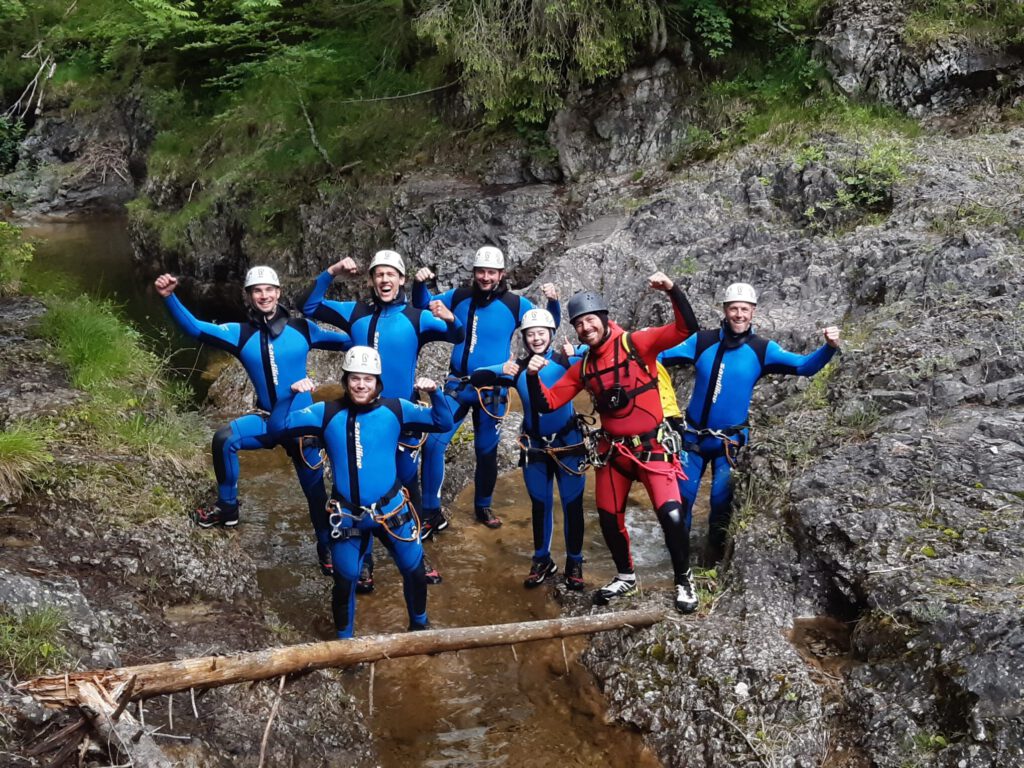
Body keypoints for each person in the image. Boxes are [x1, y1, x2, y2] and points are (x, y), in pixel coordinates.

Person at [154, 267, 351, 573]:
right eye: (257, 291)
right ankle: (227, 508)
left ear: (279, 293)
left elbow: (349, 341)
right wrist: (169, 298)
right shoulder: (239, 333)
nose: (264, 295)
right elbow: (194, 328)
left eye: (269, 289)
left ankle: (326, 547)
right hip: (267, 419)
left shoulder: (303, 328)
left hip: (302, 425)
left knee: (315, 495)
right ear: (248, 296)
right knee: (224, 439)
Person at [526, 273, 702, 614]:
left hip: (651, 448)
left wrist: (672, 290)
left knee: (672, 515)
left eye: (590, 320)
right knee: (608, 517)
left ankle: (684, 579)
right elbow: (547, 402)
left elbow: (685, 329)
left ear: (604, 319)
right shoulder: (584, 367)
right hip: (614, 452)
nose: (585, 328)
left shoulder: (638, 343)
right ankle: (626, 576)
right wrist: (532, 377)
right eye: (579, 324)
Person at [301, 250, 464, 590]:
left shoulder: (415, 317)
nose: (385, 280)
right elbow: (309, 306)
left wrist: (450, 318)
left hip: (401, 419)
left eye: (391, 274)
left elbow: (455, 337)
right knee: (354, 484)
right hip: (358, 417)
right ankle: (363, 562)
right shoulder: (356, 312)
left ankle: (416, 551)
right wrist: (332, 270)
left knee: (407, 484)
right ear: (372, 280)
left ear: (401, 279)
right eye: (379, 275)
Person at [269, 346, 453, 638]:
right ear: (345, 380)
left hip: (392, 510)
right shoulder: (325, 413)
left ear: (377, 383)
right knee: (345, 582)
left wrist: (436, 393)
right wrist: (289, 394)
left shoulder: (396, 409)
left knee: (415, 571)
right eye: (355, 378)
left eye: (368, 379)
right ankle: (345, 647)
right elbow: (277, 428)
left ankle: (419, 629)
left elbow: (443, 422)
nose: (361, 385)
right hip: (347, 516)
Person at [659, 282, 841, 564]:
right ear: (725, 310)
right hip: (692, 437)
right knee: (681, 503)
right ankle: (679, 566)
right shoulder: (702, 341)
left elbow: (805, 367)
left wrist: (829, 347)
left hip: (729, 443)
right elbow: (657, 356)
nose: (739, 314)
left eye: (744, 309)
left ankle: (711, 562)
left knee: (721, 504)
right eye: (734, 308)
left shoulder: (762, 350)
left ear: (753, 312)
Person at [412, 246, 560, 531]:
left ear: (501, 274)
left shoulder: (515, 305)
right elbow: (422, 303)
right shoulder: (460, 297)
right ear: (474, 272)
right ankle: (431, 511)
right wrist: (418, 283)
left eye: (491, 272)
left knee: (486, 450)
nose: (485, 277)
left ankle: (483, 505)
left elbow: (546, 324)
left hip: (493, 389)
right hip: (458, 385)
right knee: (433, 443)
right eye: (481, 271)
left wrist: (553, 301)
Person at [471, 308, 587, 590]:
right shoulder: (518, 368)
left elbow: (597, 353)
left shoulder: (565, 359)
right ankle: (542, 560)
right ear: (523, 338)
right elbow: (476, 377)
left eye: (541, 333)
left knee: (572, 506)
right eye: (530, 334)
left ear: (551, 335)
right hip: (534, 446)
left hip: (568, 443)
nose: (536, 339)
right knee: (540, 503)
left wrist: (579, 348)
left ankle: (574, 562)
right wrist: (501, 369)